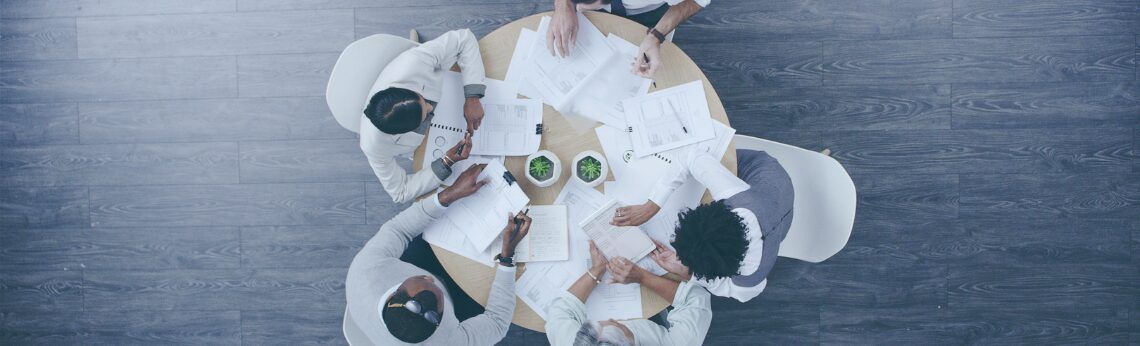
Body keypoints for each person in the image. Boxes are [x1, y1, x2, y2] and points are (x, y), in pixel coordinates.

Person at [345, 164, 531, 345]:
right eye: (438, 293)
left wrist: (450, 194)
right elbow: (497, 322)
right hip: (460, 303)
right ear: (439, 324)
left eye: (423, 279)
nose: (431, 278)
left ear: (393, 295)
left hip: (415, 261)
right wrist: (507, 257)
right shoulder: (448, 341)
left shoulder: (364, 270)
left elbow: (398, 230)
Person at [611, 149, 794, 302]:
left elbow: (736, 291)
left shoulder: (752, 276)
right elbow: (692, 156)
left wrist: (689, 273)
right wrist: (651, 206)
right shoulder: (732, 194)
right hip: (761, 174)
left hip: (769, 195)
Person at [361, 28, 487, 203]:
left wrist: (472, 97)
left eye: (423, 101)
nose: (430, 107)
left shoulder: (413, 63)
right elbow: (400, 192)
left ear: (407, 90)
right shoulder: (374, 146)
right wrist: (447, 161)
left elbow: (464, 38)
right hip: (428, 144)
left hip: (448, 90)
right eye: (425, 114)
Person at [545, 241, 712, 345]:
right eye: (617, 325)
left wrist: (597, 270)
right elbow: (696, 298)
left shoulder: (572, 342)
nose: (610, 319)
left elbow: (559, 311)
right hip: (656, 318)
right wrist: (643, 277)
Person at [547, 0, 710, 77]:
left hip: (646, 15)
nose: (580, 8)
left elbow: (696, 1)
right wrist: (563, 5)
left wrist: (657, 35)